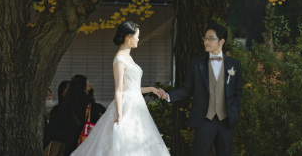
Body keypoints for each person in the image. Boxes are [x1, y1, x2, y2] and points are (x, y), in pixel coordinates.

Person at [71, 21, 170, 155]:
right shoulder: (119, 59)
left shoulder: (128, 57)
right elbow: (119, 89)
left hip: (137, 106)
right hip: (127, 106)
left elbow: (132, 88)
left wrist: (151, 89)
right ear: (129, 37)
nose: (138, 39)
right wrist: (119, 115)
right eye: (137, 36)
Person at [158, 22, 243, 156]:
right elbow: (186, 89)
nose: (206, 42)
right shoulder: (197, 63)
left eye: (211, 38)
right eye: (205, 38)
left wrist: (234, 112)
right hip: (204, 120)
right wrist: (168, 96)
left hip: (226, 122)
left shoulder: (234, 64)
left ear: (221, 41)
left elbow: (237, 92)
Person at [46, 75, 94, 156]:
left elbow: (52, 132)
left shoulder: (59, 109)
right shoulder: (92, 108)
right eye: (88, 86)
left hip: (67, 149)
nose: (90, 88)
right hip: (88, 149)